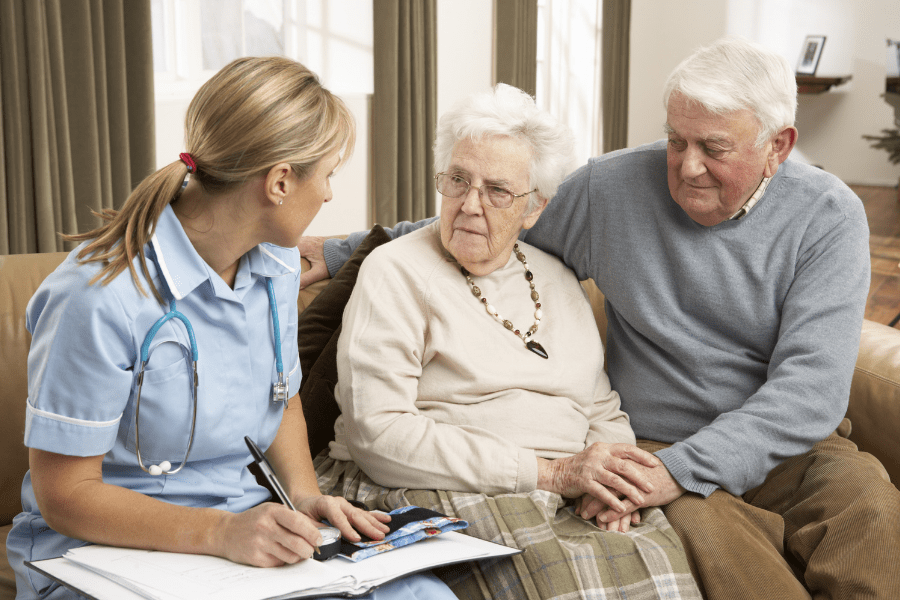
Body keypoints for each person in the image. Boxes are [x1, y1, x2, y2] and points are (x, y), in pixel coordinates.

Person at [301, 37, 900, 599]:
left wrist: (678, 471)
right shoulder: (613, 189)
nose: (687, 167)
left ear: (779, 145)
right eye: (675, 140)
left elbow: (810, 394)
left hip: (785, 445)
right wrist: (341, 250)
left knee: (873, 517)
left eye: (714, 148)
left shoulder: (829, 217)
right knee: (722, 549)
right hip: (655, 445)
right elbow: (487, 215)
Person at [7, 57, 455, 600]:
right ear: (281, 182)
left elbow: (282, 396)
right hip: (100, 555)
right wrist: (221, 533)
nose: (332, 195)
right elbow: (66, 495)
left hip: (237, 535)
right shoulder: (95, 297)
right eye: (329, 174)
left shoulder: (276, 266)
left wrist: (303, 498)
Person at [313, 83, 702, 600]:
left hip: (566, 490)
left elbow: (601, 407)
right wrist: (550, 473)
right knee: (558, 584)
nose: (471, 205)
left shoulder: (559, 280)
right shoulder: (397, 271)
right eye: (457, 181)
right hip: (442, 485)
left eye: (497, 191)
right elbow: (377, 432)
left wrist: (615, 486)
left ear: (535, 208)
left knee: (661, 567)